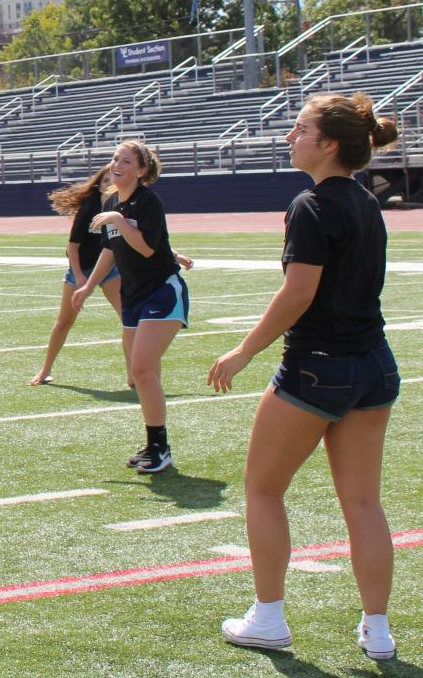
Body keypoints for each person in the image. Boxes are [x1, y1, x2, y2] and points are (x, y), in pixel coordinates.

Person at [210, 93, 401, 661]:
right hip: (374, 365)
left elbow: (299, 293)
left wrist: (244, 351)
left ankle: (268, 617)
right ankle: (378, 630)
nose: (290, 136)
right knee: (363, 503)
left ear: (330, 143)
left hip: (318, 368)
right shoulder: (366, 201)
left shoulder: (311, 204)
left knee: (263, 489)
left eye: (299, 128)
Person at [72, 140, 188, 474]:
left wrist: (120, 221)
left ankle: (160, 447)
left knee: (141, 368)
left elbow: (149, 250)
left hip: (162, 292)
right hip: (134, 297)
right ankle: (155, 444)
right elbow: (110, 250)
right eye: (114, 159)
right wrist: (89, 286)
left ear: (141, 170)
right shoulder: (111, 201)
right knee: (141, 375)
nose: (116, 165)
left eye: (126, 160)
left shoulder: (148, 201)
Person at [35, 164, 196, 387]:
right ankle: (45, 370)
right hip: (83, 269)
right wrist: (81, 279)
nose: (111, 183)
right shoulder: (92, 208)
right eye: (106, 180)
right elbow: (73, 247)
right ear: (98, 186)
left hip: (110, 269)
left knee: (129, 320)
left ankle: (135, 375)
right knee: (64, 322)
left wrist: (175, 255)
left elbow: (144, 240)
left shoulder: (128, 205)